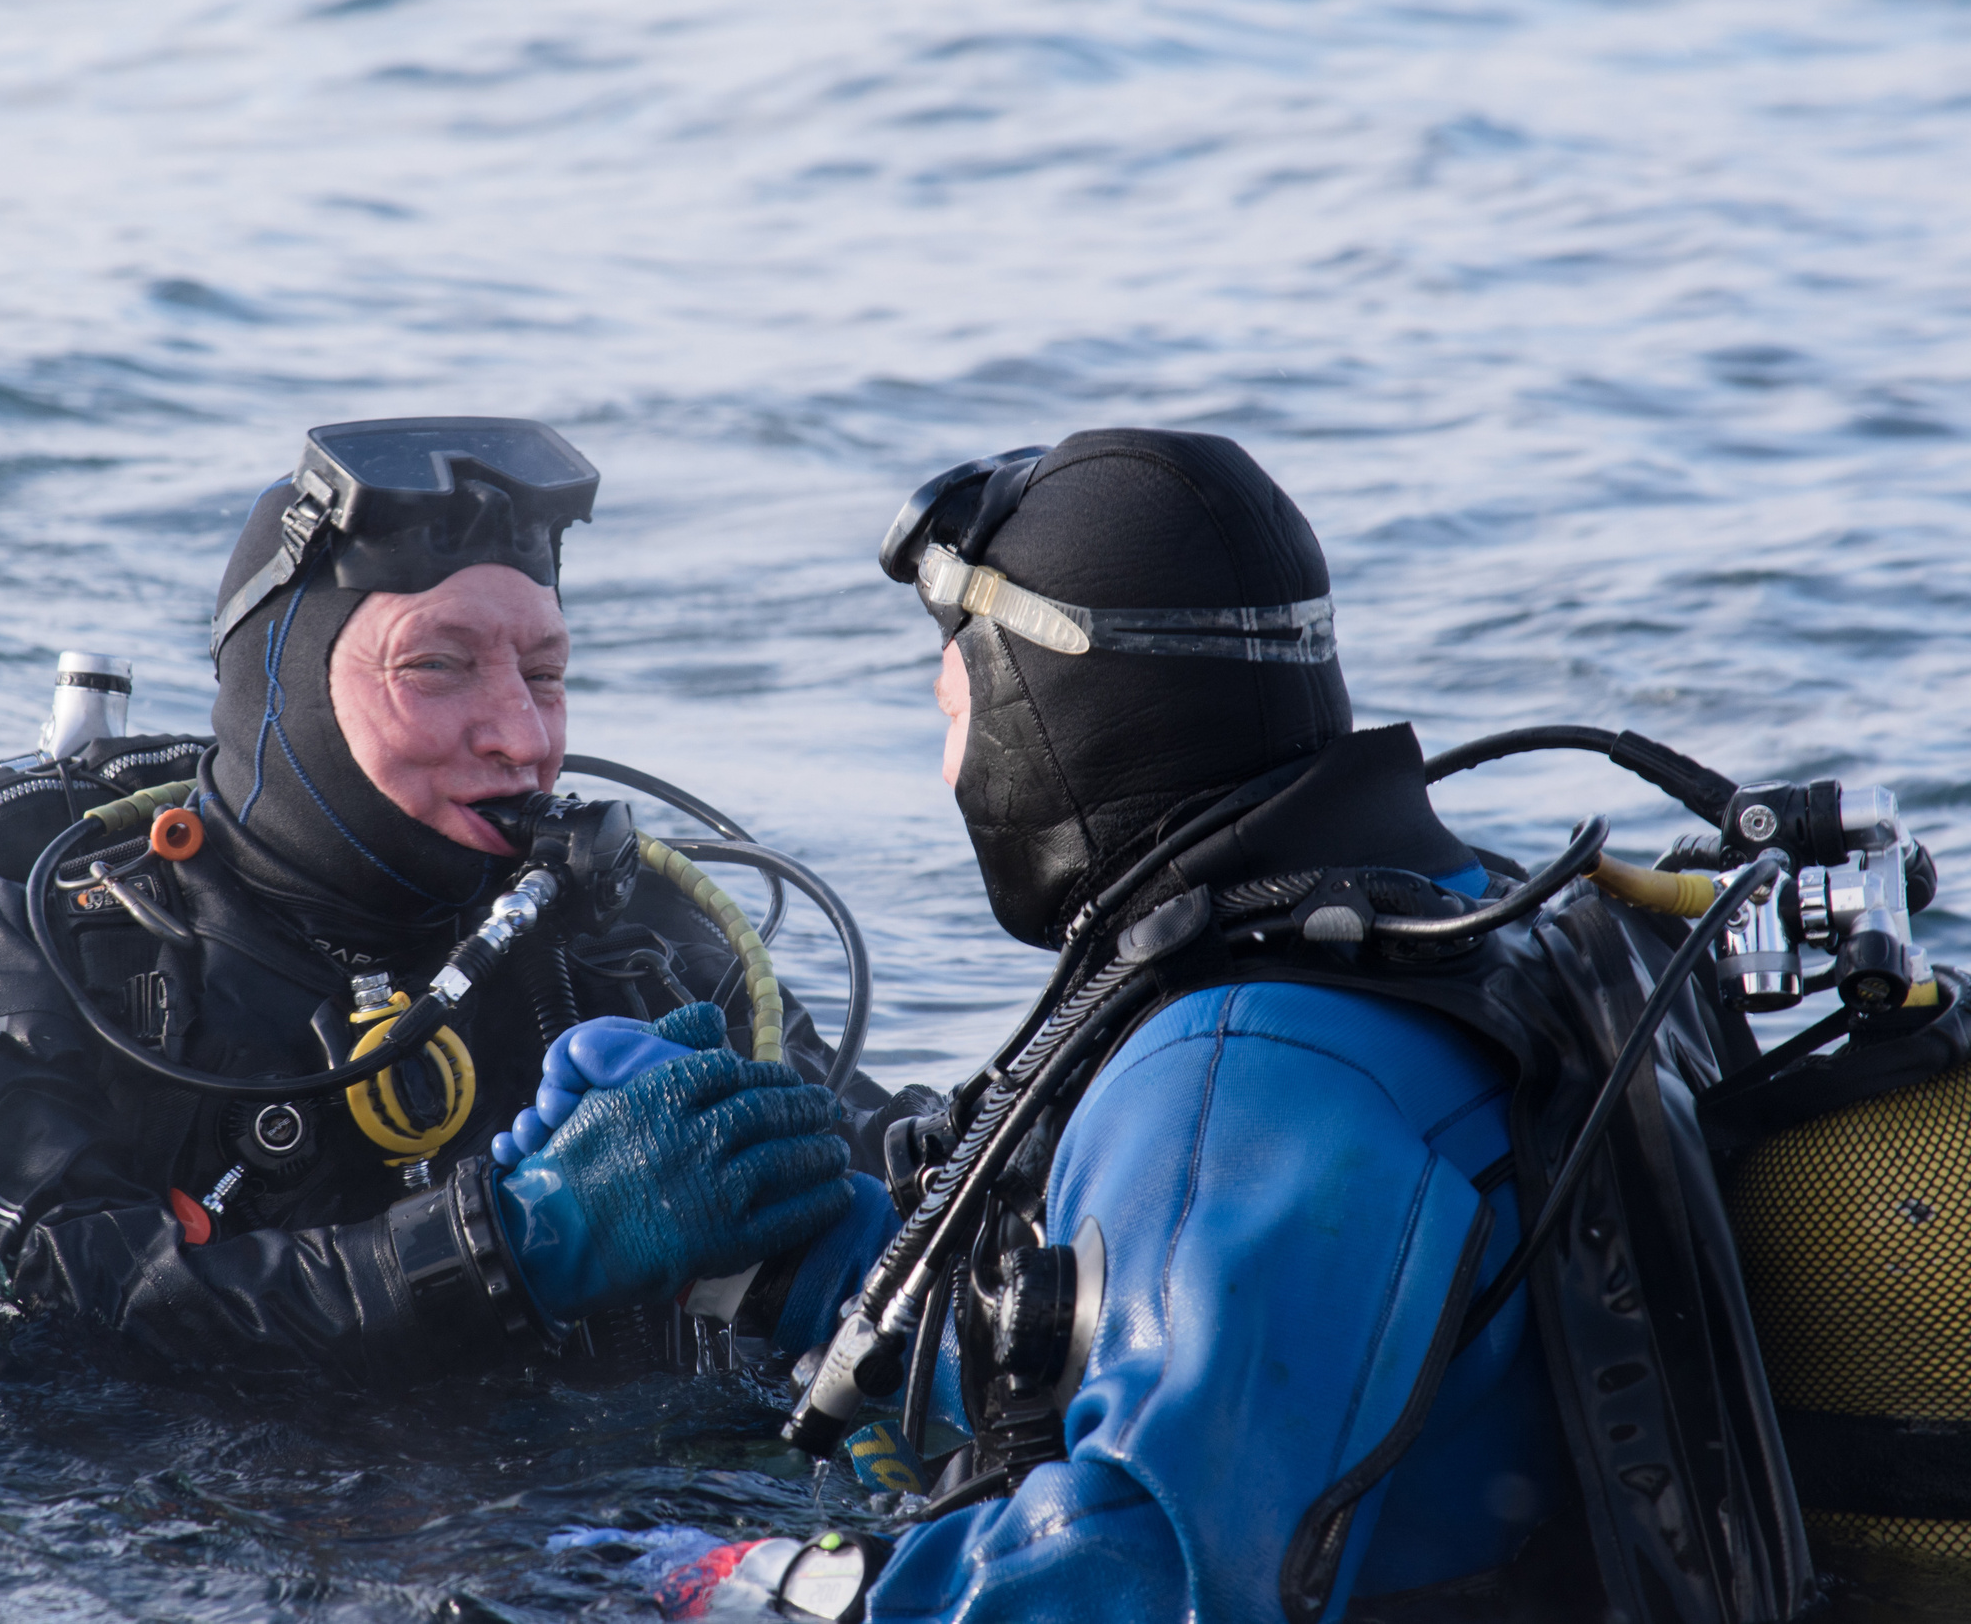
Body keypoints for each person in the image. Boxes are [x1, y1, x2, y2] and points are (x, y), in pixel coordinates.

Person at [582, 427, 1968, 1624]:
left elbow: (1148, 1576)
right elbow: (1206, 1367)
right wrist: (814, 1266)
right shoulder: (1492, 921)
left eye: (953, 709)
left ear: (1041, 712)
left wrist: (772, 1583)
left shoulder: (1243, 1069)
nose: (949, 769)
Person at [0, 417, 909, 1379]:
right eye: (436, 667)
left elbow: (883, 1167)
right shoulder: (18, 957)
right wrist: (512, 1245)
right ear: (284, 696)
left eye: (543, 674)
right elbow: (39, 1316)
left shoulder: (637, 954)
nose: (521, 737)